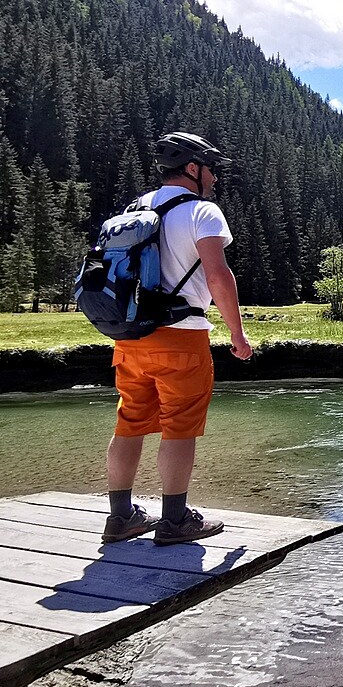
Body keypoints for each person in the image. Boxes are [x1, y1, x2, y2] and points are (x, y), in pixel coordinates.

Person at [102, 132, 253, 545]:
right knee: (179, 427)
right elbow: (218, 276)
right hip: (182, 337)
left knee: (129, 422)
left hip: (130, 337)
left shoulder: (134, 209)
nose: (215, 178)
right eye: (211, 169)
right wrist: (237, 334)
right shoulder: (202, 212)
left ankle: (121, 518)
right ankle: (175, 520)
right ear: (192, 168)